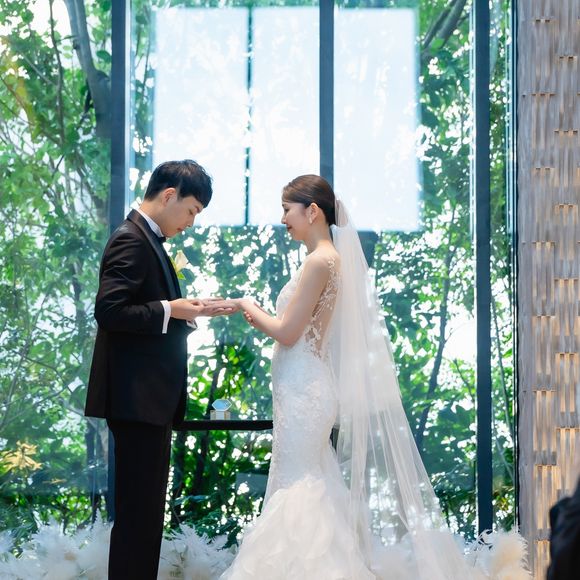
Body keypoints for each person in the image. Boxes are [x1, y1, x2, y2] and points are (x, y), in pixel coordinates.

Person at [215, 175, 530, 579]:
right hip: (302, 388)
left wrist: (247, 305)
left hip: (304, 390)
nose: (282, 219)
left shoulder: (319, 261)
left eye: (287, 210)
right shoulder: (328, 259)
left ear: (312, 211)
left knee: (298, 489)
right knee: (307, 484)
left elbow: (288, 332)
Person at [85, 160, 233, 580]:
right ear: (170, 196)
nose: (190, 223)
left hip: (146, 402)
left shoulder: (146, 238)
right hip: (137, 401)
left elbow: (144, 312)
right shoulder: (131, 239)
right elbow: (110, 311)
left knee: (146, 519)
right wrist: (171, 308)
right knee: (138, 521)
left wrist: (187, 311)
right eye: (191, 211)